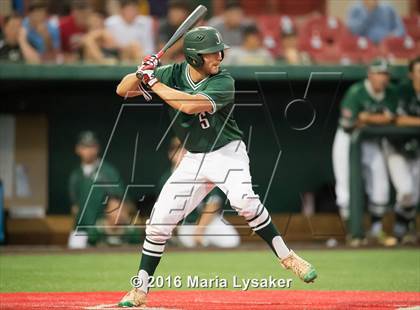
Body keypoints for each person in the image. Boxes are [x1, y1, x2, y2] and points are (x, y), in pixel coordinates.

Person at [116, 26, 317, 307]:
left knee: (244, 201)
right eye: (211, 54)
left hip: (227, 153)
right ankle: (140, 289)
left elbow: (190, 105)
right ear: (194, 57)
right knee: (158, 223)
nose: (219, 57)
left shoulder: (223, 81)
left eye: (219, 51)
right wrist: (141, 73)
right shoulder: (172, 73)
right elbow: (122, 90)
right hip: (194, 158)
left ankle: (288, 257)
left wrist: (153, 82)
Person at [332, 59, 398, 247]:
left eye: (385, 74)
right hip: (347, 139)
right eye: (379, 73)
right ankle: (353, 234)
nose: (382, 78)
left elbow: (393, 119)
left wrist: (367, 117)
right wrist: (380, 119)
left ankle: (376, 232)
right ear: (370, 74)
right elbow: (348, 123)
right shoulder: (356, 92)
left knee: (381, 185)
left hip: (371, 141)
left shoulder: (391, 92)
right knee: (344, 187)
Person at [162, 137, 240, 248]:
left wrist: (200, 230)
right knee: (192, 244)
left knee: (231, 241)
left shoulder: (203, 173)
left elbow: (213, 203)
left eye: (186, 149)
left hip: (209, 222)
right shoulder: (166, 180)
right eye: (178, 149)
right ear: (171, 154)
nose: (183, 153)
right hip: (186, 226)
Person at [67, 131, 126, 249]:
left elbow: (116, 203)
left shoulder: (108, 172)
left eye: (91, 146)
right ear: (78, 149)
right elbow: (75, 207)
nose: (88, 150)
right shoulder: (75, 175)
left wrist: (108, 225)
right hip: (80, 230)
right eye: (85, 146)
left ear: (97, 148)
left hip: (101, 231)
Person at [385, 57, 420, 244]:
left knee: (413, 194)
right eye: (419, 72)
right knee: (406, 190)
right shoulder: (401, 91)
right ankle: (401, 226)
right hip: (396, 146)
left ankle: (404, 228)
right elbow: (396, 119)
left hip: (417, 148)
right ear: (411, 74)